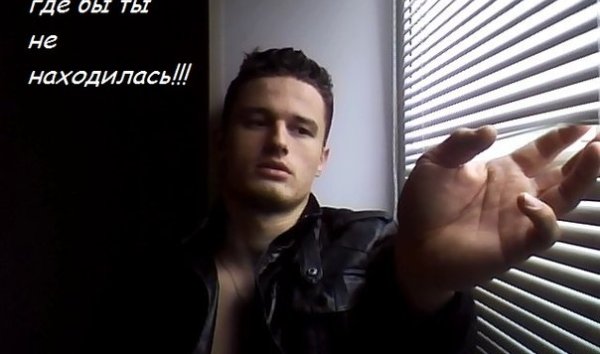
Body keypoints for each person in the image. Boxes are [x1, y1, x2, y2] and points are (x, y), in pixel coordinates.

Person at [103, 47, 599, 354]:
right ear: (221, 143)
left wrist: (430, 286)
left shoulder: (373, 247)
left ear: (322, 158)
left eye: (301, 129)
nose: (278, 142)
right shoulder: (152, 277)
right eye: (257, 122)